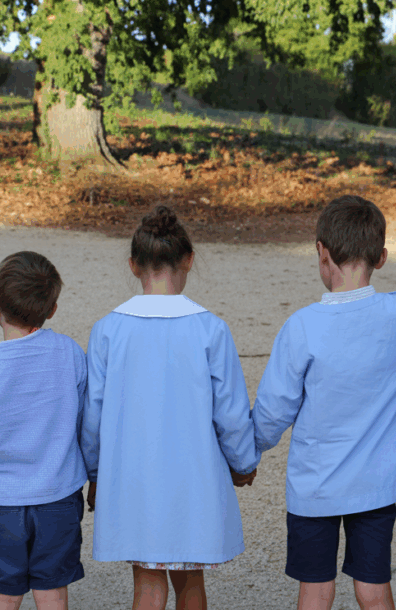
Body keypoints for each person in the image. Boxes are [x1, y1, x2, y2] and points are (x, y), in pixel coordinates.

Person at [251, 195, 396, 610]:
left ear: (321, 252)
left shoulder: (303, 327)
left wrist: (246, 454)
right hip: (377, 485)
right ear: (381, 258)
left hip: (316, 485)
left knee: (315, 590)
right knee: (372, 587)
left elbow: (274, 411)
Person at [81, 206, 260, 610]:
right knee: (191, 584)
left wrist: (95, 472)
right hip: (192, 480)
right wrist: (244, 462)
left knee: (147, 586)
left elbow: (92, 414)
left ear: (132, 265)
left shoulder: (108, 329)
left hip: (132, 479)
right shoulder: (210, 328)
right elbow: (231, 412)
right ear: (189, 259)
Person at [0, 252, 88, 610]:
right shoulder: (70, 354)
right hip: (58, 494)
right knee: (52, 591)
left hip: (3, 501)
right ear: (52, 308)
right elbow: (84, 423)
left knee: (5, 593)